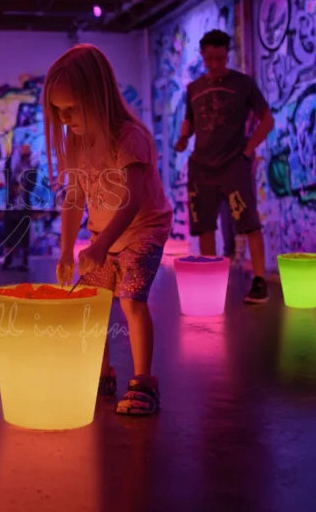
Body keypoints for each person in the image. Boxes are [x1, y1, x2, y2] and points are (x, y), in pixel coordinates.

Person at [46, 44, 173, 416]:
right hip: (103, 235)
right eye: (58, 111)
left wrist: (101, 247)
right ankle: (100, 372)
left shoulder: (130, 138)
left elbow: (132, 201)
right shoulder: (75, 140)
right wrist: (68, 249)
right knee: (92, 303)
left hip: (142, 229)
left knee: (131, 299)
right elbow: (74, 198)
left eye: (71, 109)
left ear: (98, 97)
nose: (64, 117)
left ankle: (144, 382)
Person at [176, 29, 275, 303]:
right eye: (211, 59)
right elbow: (190, 121)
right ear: (203, 57)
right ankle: (209, 280)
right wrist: (183, 138)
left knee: (249, 222)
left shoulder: (243, 84)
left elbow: (267, 120)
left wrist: (248, 148)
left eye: (221, 58)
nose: (216, 65)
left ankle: (259, 281)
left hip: (234, 163)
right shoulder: (193, 89)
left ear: (227, 55)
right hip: (202, 167)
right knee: (205, 227)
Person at [2, 145, 38, 271]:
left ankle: (24, 261)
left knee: (24, 235)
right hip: (12, 206)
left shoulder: (31, 169)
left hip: (23, 207)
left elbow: (31, 186)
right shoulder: (13, 167)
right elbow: (6, 176)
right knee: (9, 234)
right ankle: (8, 259)